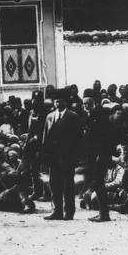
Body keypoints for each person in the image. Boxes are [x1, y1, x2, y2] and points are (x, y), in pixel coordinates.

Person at [40, 88, 84, 221]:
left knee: (67, 185)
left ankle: (68, 212)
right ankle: (56, 211)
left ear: (66, 102)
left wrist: (75, 158)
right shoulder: (50, 116)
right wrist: (44, 155)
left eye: (61, 101)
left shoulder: (73, 117)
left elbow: (79, 139)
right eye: (56, 102)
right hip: (53, 157)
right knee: (54, 184)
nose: (58, 104)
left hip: (67, 157)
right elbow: (45, 137)